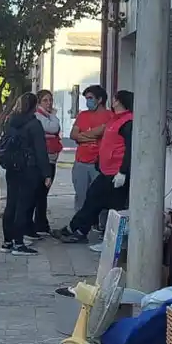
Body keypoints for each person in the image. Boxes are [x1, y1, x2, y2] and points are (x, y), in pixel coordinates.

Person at [57, 90, 134, 244]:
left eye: (115, 99)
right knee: (94, 199)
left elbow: (130, 148)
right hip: (106, 169)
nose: (113, 101)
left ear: (119, 101)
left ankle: (84, 231)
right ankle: (78, 230)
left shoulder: (127, 122)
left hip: (116, 173)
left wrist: (123, 172)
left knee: (108, 204)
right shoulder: (115, 119)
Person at [1, 92, 51, 255]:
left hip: (12, 167)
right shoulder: (34, 124)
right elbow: (41, 151)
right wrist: (46, 174)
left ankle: (7, 242)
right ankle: (19, 243)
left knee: (11, 204)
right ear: (34, 106)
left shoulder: (11, 121)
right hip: (29, 169)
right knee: (23, 206)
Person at [69, 85, 113, 216]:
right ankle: (77, 226)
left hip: (99, 164)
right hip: (81, 162)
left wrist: (83, 137)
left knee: (101, 197)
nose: (88, 101)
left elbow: (104, 132)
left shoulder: (110, 116)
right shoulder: (83, 115)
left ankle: (100, 226)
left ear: (99, 99)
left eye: (90, 98)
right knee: (81, 196)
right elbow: (73, 135)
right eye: (86, 98)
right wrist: (94, 134)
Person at [31, 89, 63, 239]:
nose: (49, 103)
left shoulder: (47, 116)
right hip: (44, 161)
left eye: (50, 100)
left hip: (51, 159)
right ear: (38, 102)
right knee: (40, 193)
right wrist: (54, 116)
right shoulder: (39, 116)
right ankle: (39, 224)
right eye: (45, 100)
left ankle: (41, 223)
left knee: (43, 194)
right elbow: (54, 128)